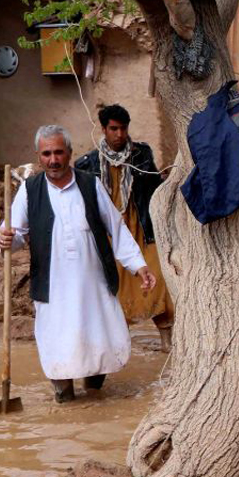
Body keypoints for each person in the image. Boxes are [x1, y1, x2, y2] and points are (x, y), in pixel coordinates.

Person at [0, 125, 156, 403]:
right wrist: (6, 239)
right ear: (38, 156)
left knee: (97, 340)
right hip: (52, 285)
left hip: (93, 283)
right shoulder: (29, 191)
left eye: (59, 152)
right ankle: (64, 396)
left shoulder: (89, 184)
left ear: (69, 153)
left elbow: (116, 228)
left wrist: (138, 265)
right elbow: (15, 235)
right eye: (46, 154)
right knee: (58, 341)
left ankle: (95, 396)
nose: (53, 160)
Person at [74, 104, 175, 351]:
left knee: (157, 280)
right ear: (104, 129)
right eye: (114, 129)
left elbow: (153, 190)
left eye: (123, 128)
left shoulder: (141, 155)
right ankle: (118, 347)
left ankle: (166, 342)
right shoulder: (87, 163)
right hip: (108, 236)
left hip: (141, 229)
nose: (119, 134)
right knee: (112, 289)